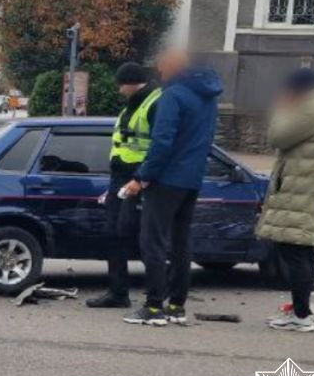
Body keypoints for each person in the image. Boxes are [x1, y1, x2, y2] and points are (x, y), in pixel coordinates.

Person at [121, 50, 222, 326]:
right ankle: (177, 305)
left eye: (161, 69)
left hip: (166, 180)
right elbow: (207, 140)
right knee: (180, 242)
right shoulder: (209, 98)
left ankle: (154, 307)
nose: (159, 74)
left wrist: (141, 177)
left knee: (152, 241)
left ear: (173, 69)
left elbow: (162, 142)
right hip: (192, 180)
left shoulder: (173, 96)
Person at [257, 68, 314, 332]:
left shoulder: (313, 110)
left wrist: (282, 109)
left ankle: (301, 314)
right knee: (302, 252)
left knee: (295, 252)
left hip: (301, 189)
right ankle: (300, 310)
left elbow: (277, 137)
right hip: (308, 188)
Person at [86, 62, 161, 309]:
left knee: (141, 238)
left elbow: (159, 146)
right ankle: (118, 293)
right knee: (114, 234)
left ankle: (155, 299)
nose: (119, 90)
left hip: (140, 180)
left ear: (131, 83)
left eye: (121, 85)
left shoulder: (154, 103)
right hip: (120, 179)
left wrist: (140, 179)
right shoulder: (131, 105)